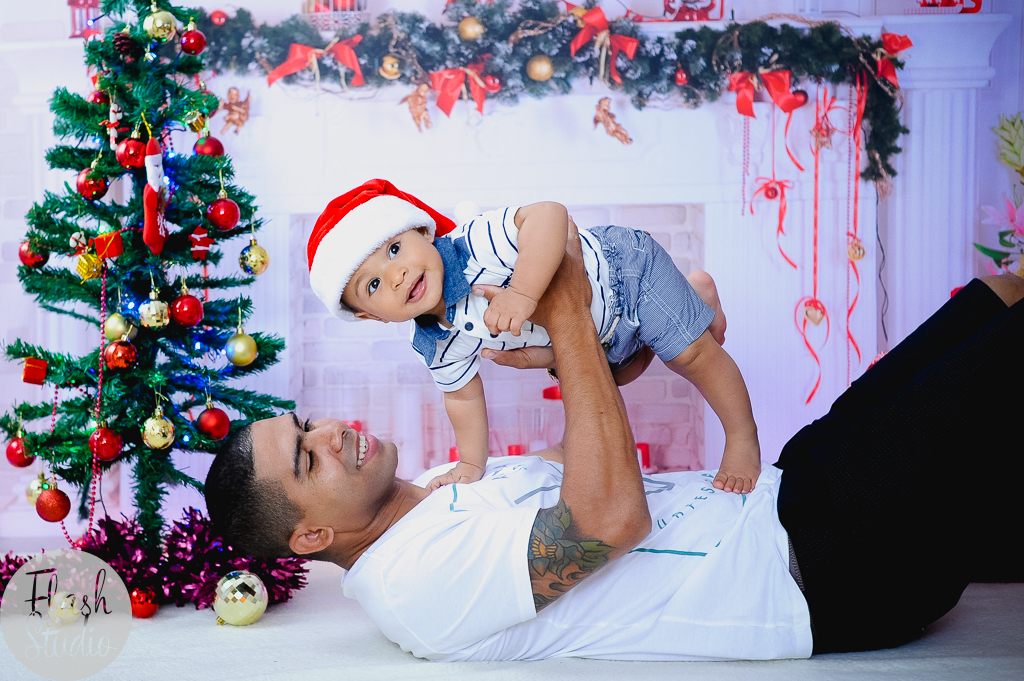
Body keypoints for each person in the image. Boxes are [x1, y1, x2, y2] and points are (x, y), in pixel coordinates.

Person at [204, 222, 1024, 660]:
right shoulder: (415, 584)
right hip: (823, 560)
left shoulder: (442, 481)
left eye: (307, 423)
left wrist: (649, 333)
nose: (331, 433)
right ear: (310, 535)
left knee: (996, 297)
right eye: (306, 456)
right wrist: (563, 306)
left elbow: (589, 454)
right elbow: (606, 520)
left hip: (793, 485)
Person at [305, 179, 760, 494]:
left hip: (626, 273)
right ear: (373, 318)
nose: (398, 273)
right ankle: (696, 303)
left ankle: (741, 436)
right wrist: (471, 464)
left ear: (424, 230)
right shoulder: (435, 341)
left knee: (690, 356)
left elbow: (549, 215)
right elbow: (462, 398)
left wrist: (522, 292)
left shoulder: (475, 243)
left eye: (395, 248)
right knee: (612, 378)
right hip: (600, 337)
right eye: (374, 285)